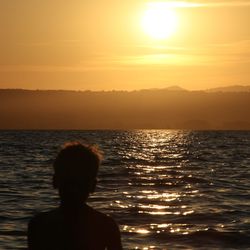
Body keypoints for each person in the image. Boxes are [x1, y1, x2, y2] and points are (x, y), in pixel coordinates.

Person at [28, 142, 122, 250]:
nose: (74, 190)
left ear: (55, 181)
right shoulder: (106, 226)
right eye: (69, 182)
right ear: (93, 186)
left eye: (80, 183)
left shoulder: (39, 225)